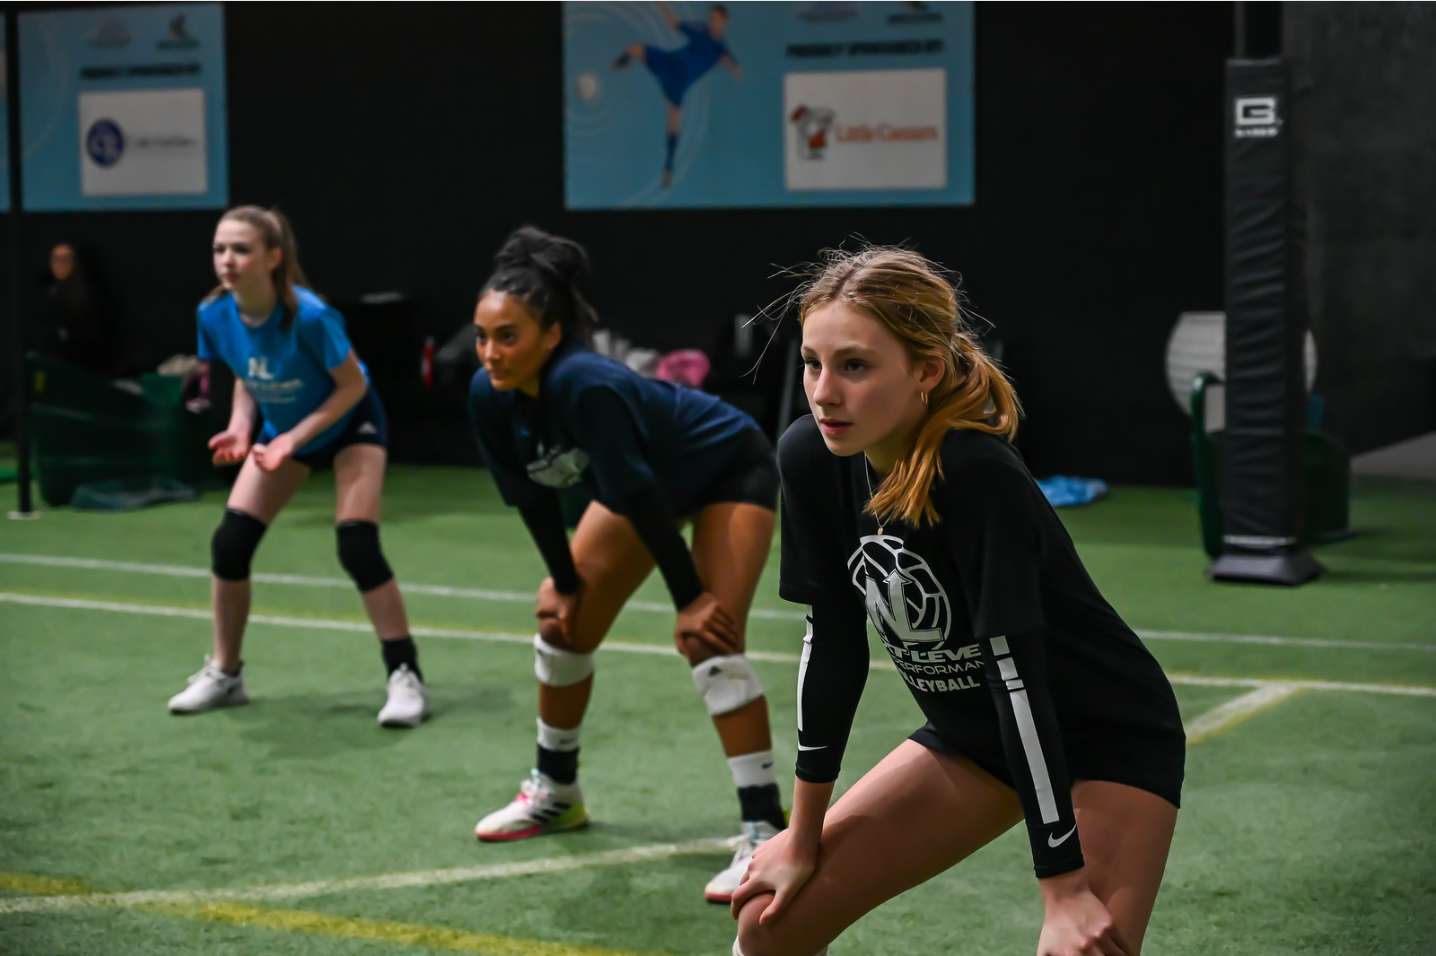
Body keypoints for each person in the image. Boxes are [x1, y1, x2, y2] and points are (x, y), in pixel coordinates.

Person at [731, 247, 1186, 956]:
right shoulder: (811, 458)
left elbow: (1016, 675)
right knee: (769, 923)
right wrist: (802, 833)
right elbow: (834, 643)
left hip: (1104, 735)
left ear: (926, 371)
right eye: (813, 363)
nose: (824, 392)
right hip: (977, 736)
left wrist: (1062, 890)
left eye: (855, 365)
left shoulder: (977, 478)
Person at [467, 226, 784, 903]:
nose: (492, 353)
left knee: (708, 638)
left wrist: (691, 596)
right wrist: (563, 577)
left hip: (727, 466)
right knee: (563, 625)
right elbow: (530, 493)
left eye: (509, 336)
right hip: (641, 489)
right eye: (483, 336)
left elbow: (639, 491)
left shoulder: (587, 385)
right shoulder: (487, 395)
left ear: (551, 336)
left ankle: (765, 828)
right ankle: (556, 791)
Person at [166, 206, 429, 729]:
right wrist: (243, 427)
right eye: (220, 249)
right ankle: (226, 673)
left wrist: (292, 437)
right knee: (230, 544)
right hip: (283, 430)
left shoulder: (309, 315)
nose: (227, 260)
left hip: (349, 421)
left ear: (273, 258)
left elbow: (352, 386)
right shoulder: (214, 313)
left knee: (357, 543)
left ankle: (405, 676)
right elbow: (247, 372)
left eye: (241, 250)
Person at [612, 3, 742, 188]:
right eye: (711, 17)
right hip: (668, 61)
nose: (712, 21)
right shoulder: (700, 29)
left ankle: (668, 167)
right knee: (632, 48)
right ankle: (623, 63)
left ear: (724, 21)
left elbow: (734, 67)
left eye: (716, 19)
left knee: (673, 122)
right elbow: (674, 23)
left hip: (678, 83)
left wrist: (733, 69)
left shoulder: (721, 49)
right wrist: (663, 6)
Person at [38, 242, 112, 375]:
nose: (59, 264)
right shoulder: (49, 294)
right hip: (54, 368)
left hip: (85, 369)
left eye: (64, 259)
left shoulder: (90, 296)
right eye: (55, 259)